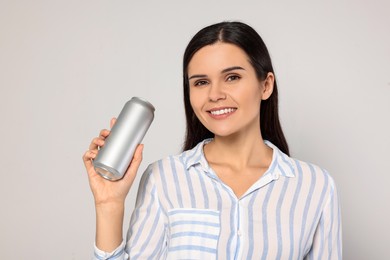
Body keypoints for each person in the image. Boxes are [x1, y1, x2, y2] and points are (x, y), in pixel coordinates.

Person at [83, 21, 342, 259]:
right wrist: (109, 203)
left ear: (266, 85)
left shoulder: (315, 186)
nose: (215, 94)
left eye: (232, 77)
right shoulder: (163, 178)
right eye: (201, 82)